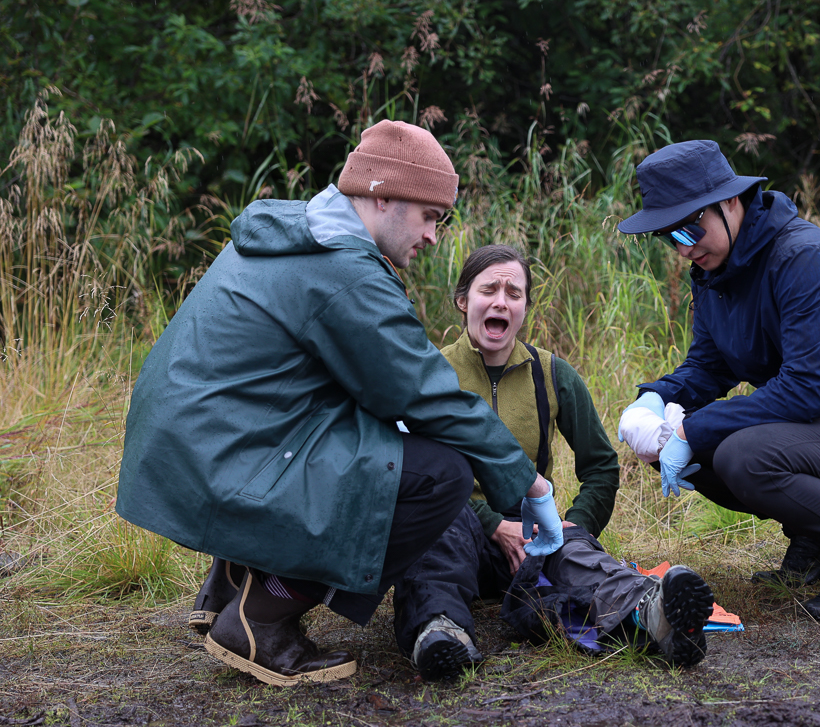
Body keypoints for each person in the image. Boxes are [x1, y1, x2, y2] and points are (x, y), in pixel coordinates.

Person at [116, 121, 564, 687]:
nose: (433, 236)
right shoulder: (343, 268)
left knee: (362, 432)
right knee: (439, 474)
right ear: (381, 197)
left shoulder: (294, 232)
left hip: (192, 443)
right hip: (220, 454)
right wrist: (531, 485)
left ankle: (231, 581)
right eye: (429, 216)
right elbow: (428, 395)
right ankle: (261, 618)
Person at [614, 140, 820, 622]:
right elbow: (708, 366)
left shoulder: (803, 257)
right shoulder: (715, 273)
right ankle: (814, 536)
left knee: (740, 454)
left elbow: (809, 389)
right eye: (669, 238)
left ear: (729, 201)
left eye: (689, 229)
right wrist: (652, 403)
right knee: (701, 447)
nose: (684, 249)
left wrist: (690, 429)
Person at [394, 245, 715, 680]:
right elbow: (410, 470)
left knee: (570, 551)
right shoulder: (429, 373)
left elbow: (600, 466)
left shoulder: (553, 374)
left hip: (530, 534)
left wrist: (572, 524)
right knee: (431, 532)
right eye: (489, 289)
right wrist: (492, 525)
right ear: (462, 300)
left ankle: (653, 612)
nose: (501, 301)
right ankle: (439, 632)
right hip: (456, 523)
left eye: (514, 292)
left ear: (525, 306)